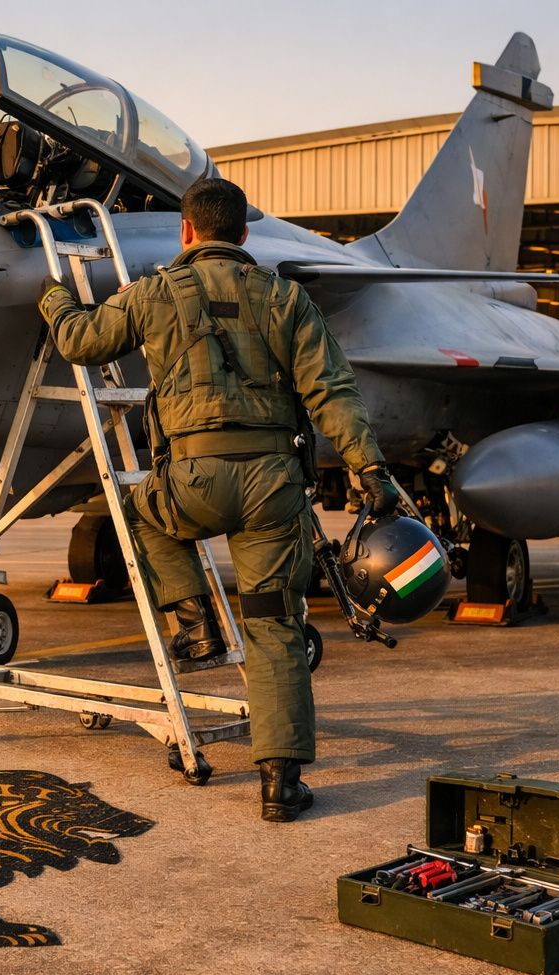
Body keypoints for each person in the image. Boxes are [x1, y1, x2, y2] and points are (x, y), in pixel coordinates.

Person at [38, 178, 397, 823]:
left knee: (136, 513)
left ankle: (195, 620)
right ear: (244, 236)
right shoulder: (286, 299)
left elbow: (81, 343)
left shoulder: (152, 294)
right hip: (272, 490)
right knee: (273, 625)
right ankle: (279, 786)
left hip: (193, 485)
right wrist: (368, 470)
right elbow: (333, 392)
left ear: (186, 232)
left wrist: (54, 298)